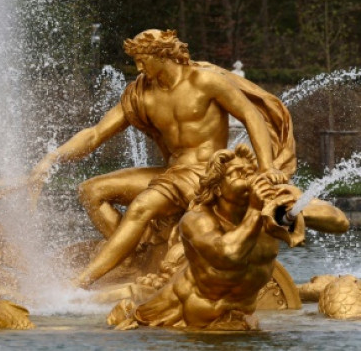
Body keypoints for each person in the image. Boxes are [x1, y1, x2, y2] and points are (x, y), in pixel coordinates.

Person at [30, 29, 295, 288]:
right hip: (174, 173)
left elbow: (251, 116)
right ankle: (133, 256)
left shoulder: (205, 82)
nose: (138, 67)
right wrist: (53, 158)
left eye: (142, 60)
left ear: (162, 55)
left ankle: (81, 282)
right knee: (90, 191)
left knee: (141, 207)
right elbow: (95, 134)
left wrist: (266, 166)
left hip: (207, 175)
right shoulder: (141, 93)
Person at [107, 144, 347, 330]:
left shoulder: (270, 204)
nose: (248, 179)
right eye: (237, 174)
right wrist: (255, 211)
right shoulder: (196, 220)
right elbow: (227, 255)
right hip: (181, 319)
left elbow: (339, 221)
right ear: (218, 187)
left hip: (238, 319)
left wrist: (292, 208)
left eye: (250, 173)